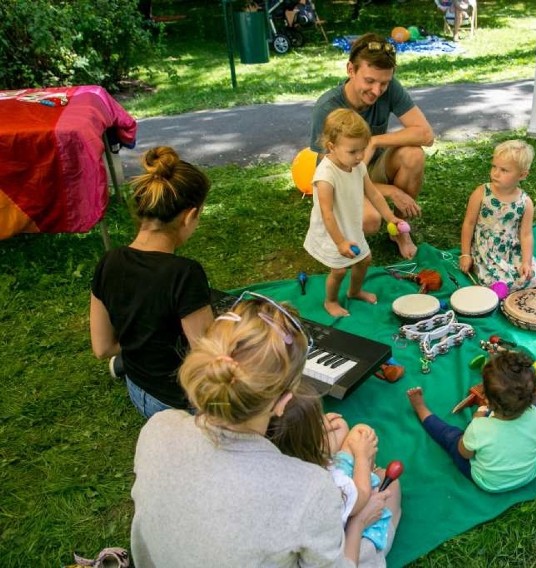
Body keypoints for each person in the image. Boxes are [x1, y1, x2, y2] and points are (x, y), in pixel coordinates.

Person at [131, 293, 401, 566]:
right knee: (391, 494)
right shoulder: (310, 490)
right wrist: (358, 521)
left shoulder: (157, 428)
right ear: (283, 401)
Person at [89, 146, 214, 419]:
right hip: (178, 406)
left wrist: (143, 343)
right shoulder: (185, 273)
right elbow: (208, 361)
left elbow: (102, 348)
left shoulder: (109, 261)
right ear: (190, 216)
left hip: (139, 391)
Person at [310, 32, 435, 260]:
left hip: (369, 168)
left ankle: (399, 230)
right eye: (369, 81)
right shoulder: (328, 107)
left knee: (413, 155)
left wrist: (375, 140)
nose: (377, 91)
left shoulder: (389, 87)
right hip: (344, 179)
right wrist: (391, 191)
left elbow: (426, 135)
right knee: (370, 221)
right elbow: (328, 177)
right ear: (351, 70)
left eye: (384, 83)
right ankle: (340, 232)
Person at [304, 109, 405, 317]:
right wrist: (340, 242)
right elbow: (327, 213)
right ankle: (330, 301)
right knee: (339, 270)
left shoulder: (357, 166)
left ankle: (354, 291)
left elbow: (374, 194)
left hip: (350, 225)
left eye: (362, 149)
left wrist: (390, 217)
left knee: (364, 260)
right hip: (332, 231)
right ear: (332, 147)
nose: (360, 156)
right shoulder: (325, 175)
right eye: (353, 151)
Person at [268, 393, 396, 551]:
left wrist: (313, 428)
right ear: (311, 442)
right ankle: (385, 536)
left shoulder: (281, 463)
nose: (324, 422)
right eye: (317, 421)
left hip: (332, 478)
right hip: (348, 523)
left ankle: (367, 470)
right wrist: (362, 457)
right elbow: (361, 495)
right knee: (392, 485)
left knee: (344, 426)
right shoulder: (326, 487)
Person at [406, 350, 536, 493]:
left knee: (451, 437)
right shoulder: (535, 414)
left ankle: (421, 408)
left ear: (486, 401)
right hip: (530, 474)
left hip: (490, 483)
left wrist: (477, 419)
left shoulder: (479, 428)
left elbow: (465, 453)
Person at [459, 139, 536, 291]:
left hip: (511, 247)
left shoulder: (525, 202)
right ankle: (502, 286)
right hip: (487, 249)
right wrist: (465, 254)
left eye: (504, 170)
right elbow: (469, 223)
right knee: (498, 283)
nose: (495, 173)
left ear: (522, 175)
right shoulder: (482, 193)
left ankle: (517, 280)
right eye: (494, 167)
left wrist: (526, 262)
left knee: (532, 275)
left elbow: (526, 235)